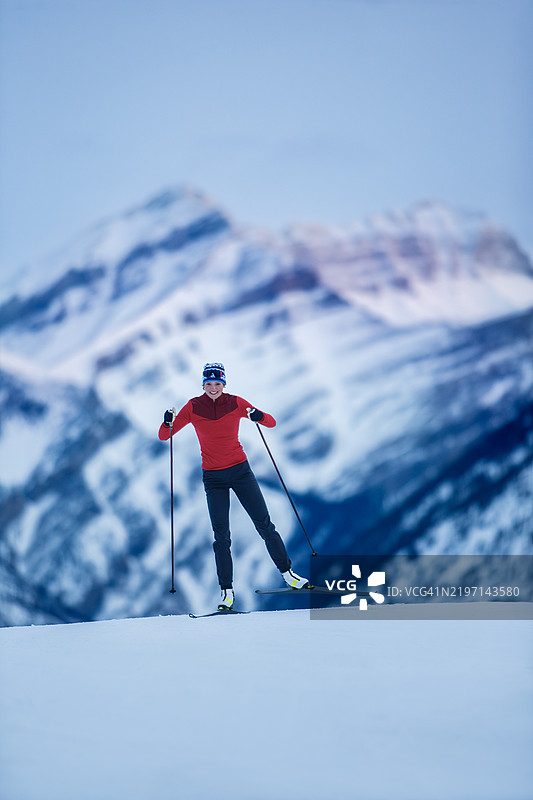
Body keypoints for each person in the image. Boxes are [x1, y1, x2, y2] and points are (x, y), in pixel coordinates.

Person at [158, 362, 309, 611]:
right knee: (221, 537)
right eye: (209, 384)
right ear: (203, 385)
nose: (213, 388)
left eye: (218, 383)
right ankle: (226, 592)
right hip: (213, 478)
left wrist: (257, 416)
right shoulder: (193, 407)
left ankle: (289, 575)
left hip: (241, 472)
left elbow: (270, 422)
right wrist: (167, 422)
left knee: (265, 525)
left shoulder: (237, 402)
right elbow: (165, 435)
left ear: (224, 384)